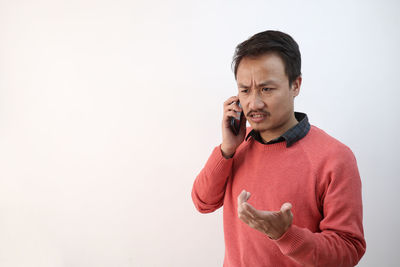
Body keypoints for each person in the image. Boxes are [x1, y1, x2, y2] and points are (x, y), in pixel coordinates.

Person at [191, 30, 366, 266]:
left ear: (296, 85)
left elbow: (348, 250)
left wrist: (285, 235)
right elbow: (203, 202)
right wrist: (227, 150)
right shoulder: (237, 147)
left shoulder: (335, 158)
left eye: (266, 89)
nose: (254, 103)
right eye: (245, 90)